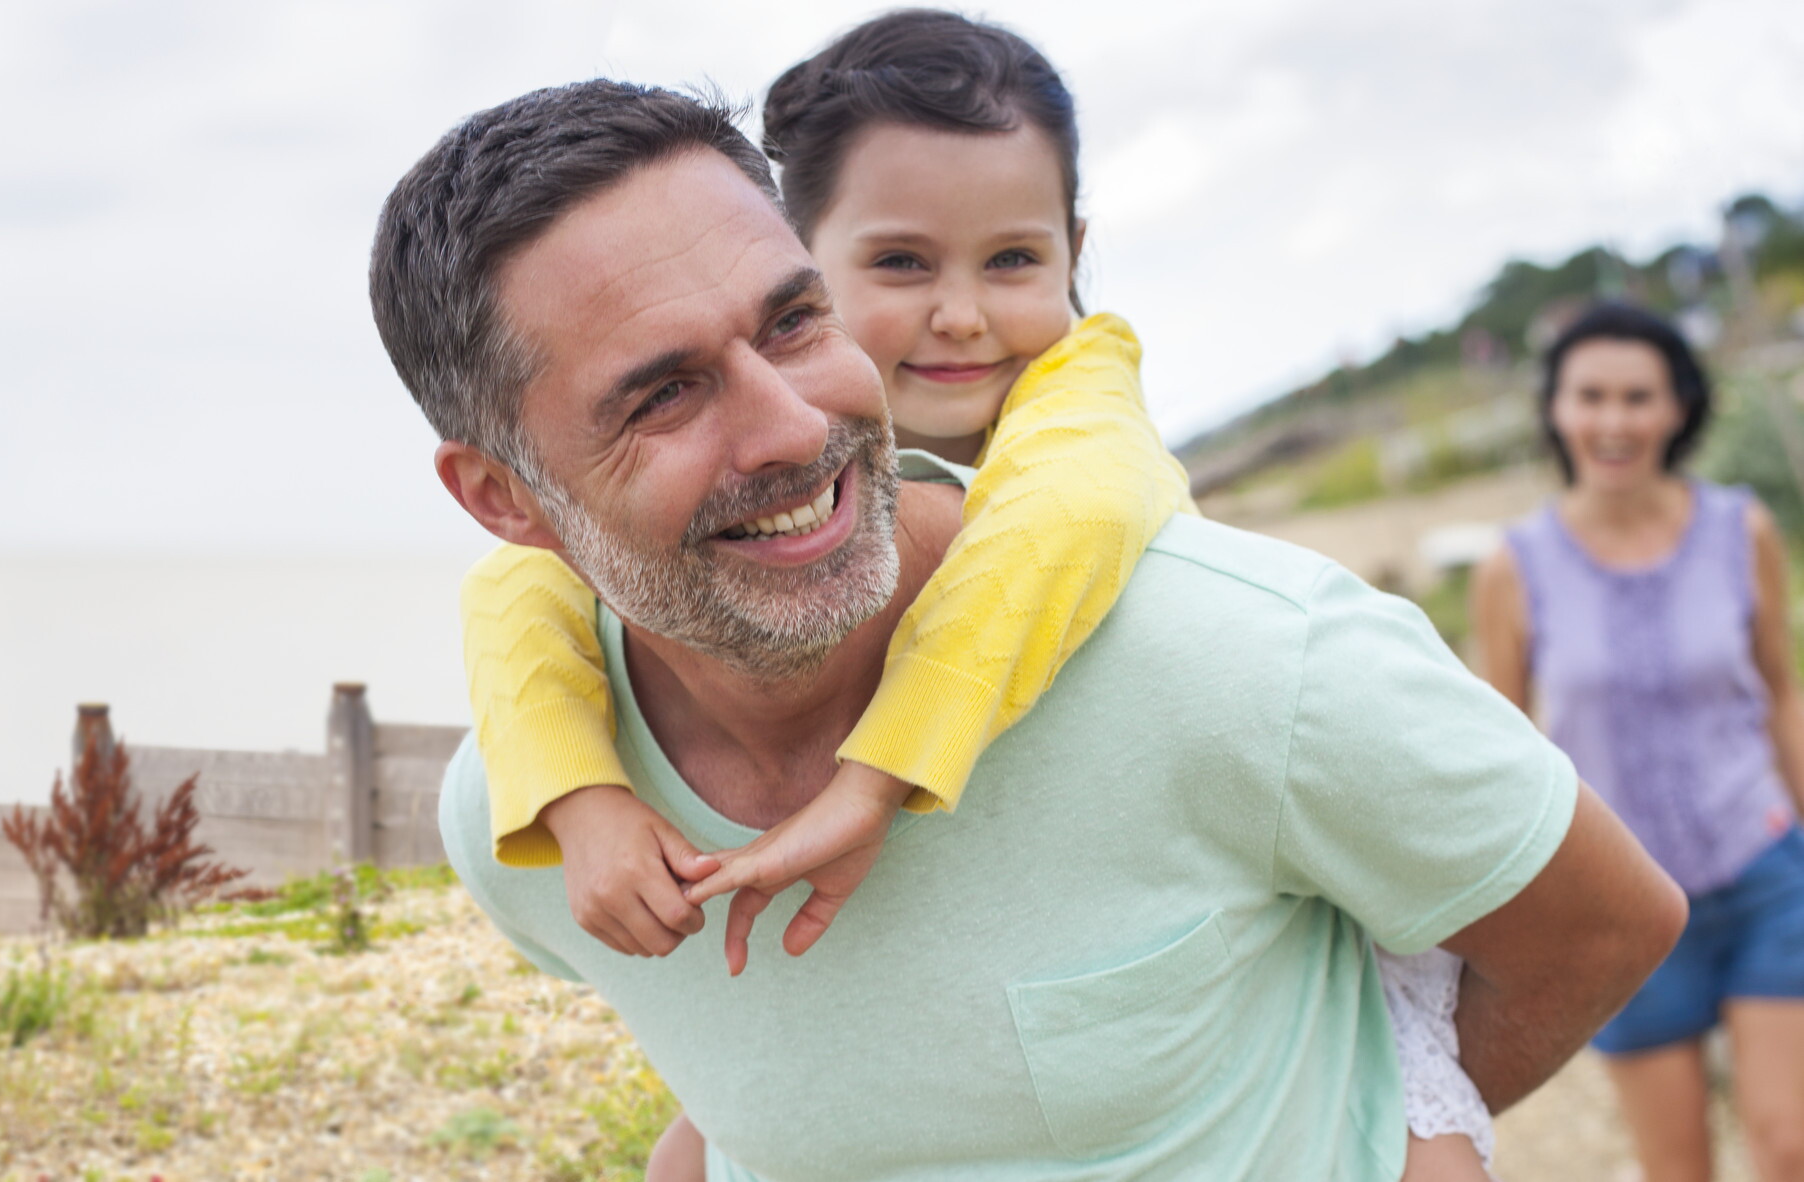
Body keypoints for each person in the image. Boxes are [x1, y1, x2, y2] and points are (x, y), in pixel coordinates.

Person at [370, 77, 1685, 1179]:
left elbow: (1599, 928)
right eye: (662, 395)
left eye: (794, 320)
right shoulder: (530, 826)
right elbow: (773, 1082)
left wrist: (1389, 1129)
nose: (791, 425)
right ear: (501, 496)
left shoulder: (1237, 655)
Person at [1472, 301, 1804, 1182]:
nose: (1613, 421)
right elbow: (1502, 759)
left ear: (1678, 408)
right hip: (1624, 918)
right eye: (1591, 397)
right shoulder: (1513, 569)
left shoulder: (1744, 530)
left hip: (1764, 874)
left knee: (1791, 1146)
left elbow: (1780, 694)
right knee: (1678, 1169)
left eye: (1637, 397)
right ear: (1556, 410)